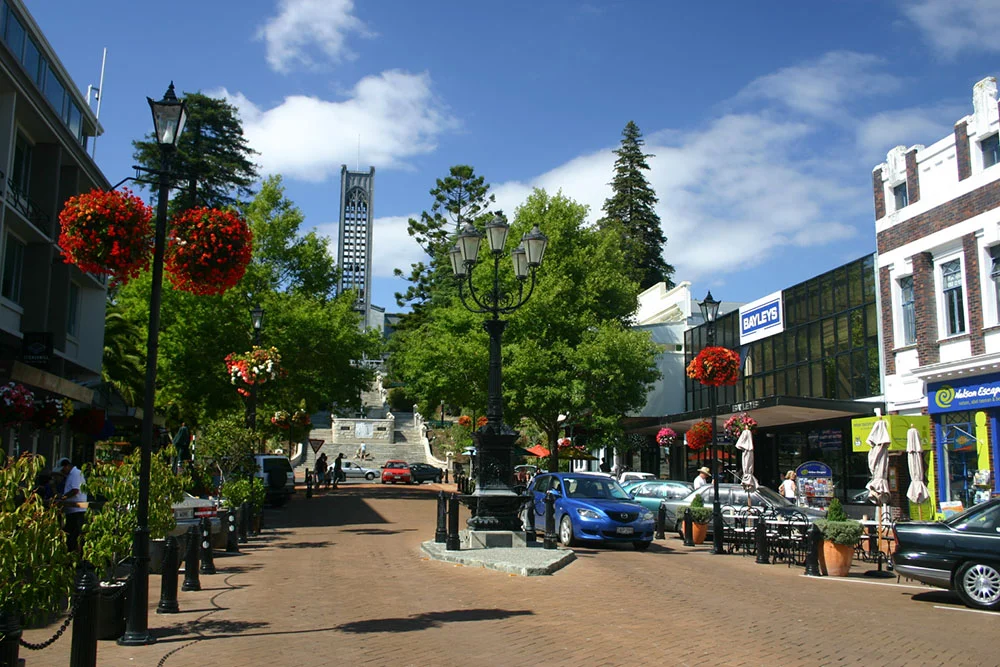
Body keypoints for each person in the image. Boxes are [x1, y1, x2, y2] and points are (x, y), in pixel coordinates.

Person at [55, 457, 87, 553]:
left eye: (63, 469)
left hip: (76, 509)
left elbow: (75, 490)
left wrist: (63, 498)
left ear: (67, 466)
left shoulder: (75, 474)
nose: (63, 472)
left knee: (74, 534)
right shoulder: (71, 475)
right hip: (72, 509)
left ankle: (75, 554)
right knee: (71, 534)